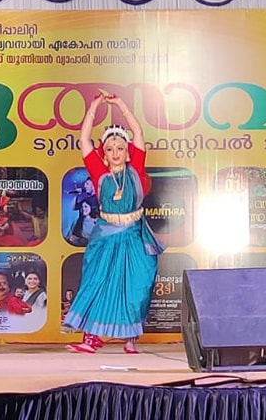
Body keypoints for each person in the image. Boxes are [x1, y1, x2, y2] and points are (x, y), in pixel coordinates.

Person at [63, 93, 163, 354]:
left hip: (134, 236)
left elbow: (138, 133)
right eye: (110, 149)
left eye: (120, 148)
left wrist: (121, 105)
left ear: (128, 153)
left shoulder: (136, 168)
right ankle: (91, 339)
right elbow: (84, 140)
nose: (116, 153)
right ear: (104, 154)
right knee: (97, 282)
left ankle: (130, 338)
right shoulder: (99, 173)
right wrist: (94, 107)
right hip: (106, 236)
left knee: (136, 286)